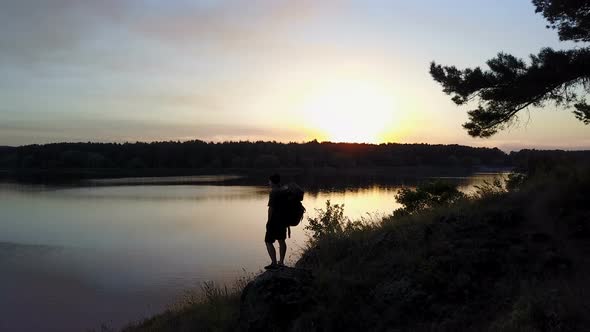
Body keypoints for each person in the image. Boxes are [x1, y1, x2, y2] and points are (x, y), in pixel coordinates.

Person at [264, 173, 287, 270]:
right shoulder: (284, 190)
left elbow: (271, 208)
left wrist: (268, 221)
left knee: (268, 241)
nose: (268, 183)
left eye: (269, 181)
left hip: (274, 221)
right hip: (284, 220)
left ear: (272, 182)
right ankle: (281, 262)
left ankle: (274, 263)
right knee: (281, 240)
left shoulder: (274, 192)